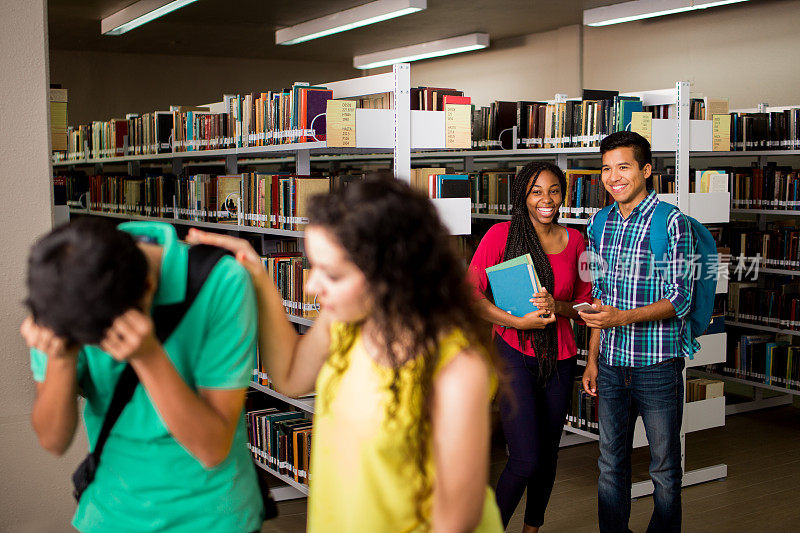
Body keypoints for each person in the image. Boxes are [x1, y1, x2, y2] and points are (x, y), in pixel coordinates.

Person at [187, 175, 503, 532]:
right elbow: (291, 377)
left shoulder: (457, 371)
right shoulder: (346, 320)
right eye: (313, 266)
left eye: (332, 274)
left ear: (392, 274)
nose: (310, 288)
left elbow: (452, 525)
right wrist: (259, 276)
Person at [21, 218, 265, 532]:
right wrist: (61, 357)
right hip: (109, 515)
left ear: (149, 288)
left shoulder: (223, 280)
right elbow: (53, 441)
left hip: (214, 517)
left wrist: (148, 356)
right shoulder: (64, 290)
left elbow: (211, 449)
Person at [466, 161, 593, 531]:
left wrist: (559, 306)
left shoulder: (578, 242)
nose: (546, 199)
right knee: (525, 459)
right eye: (537, 191)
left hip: (561, 358)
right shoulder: (499, 237)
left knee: (548, 456)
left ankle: (531, 529)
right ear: (523, 195)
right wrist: (516, 322)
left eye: (554, 190)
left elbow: (588, 308)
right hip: (512, 353)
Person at [580, 131, 696, 533]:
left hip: (657, 366)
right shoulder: (599, 222)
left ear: (646, 171)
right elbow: (599, 298)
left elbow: (680, 299)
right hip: (610, 366)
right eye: (607, 168)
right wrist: (592, 359)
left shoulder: (672, 223)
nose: (614, 177)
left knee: (664, 468)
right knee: (611, 464)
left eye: (624, 167)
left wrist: (621, 319)